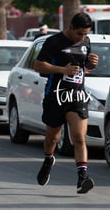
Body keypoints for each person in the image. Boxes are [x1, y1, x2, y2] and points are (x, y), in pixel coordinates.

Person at [34, 12, 99, 194]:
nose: (83, 37)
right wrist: (62, 69)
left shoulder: (86, 41)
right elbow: (38, 65)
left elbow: (85, 65)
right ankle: (48, 160)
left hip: (77, 96)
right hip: (56, 95)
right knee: (52, 137)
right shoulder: (53, 42)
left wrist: (92, 63)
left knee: (78, 137)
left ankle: (82, 178)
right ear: (70, 27)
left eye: (86, 34)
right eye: (79, 33)